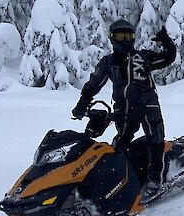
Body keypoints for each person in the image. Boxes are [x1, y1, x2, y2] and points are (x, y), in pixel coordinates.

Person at [73, 19, 177, 201]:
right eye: (121, 35)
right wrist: (82, 103)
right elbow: (94, 83)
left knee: (156, 140)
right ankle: (120, 179)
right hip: (124, 109)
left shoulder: (143, 57)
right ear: (113, 38)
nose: (126, 39)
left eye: (129, 35)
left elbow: (167, 58)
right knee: (121, 144)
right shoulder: (108, 62)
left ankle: (155, 181)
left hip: (148, 104)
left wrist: (166, 41)